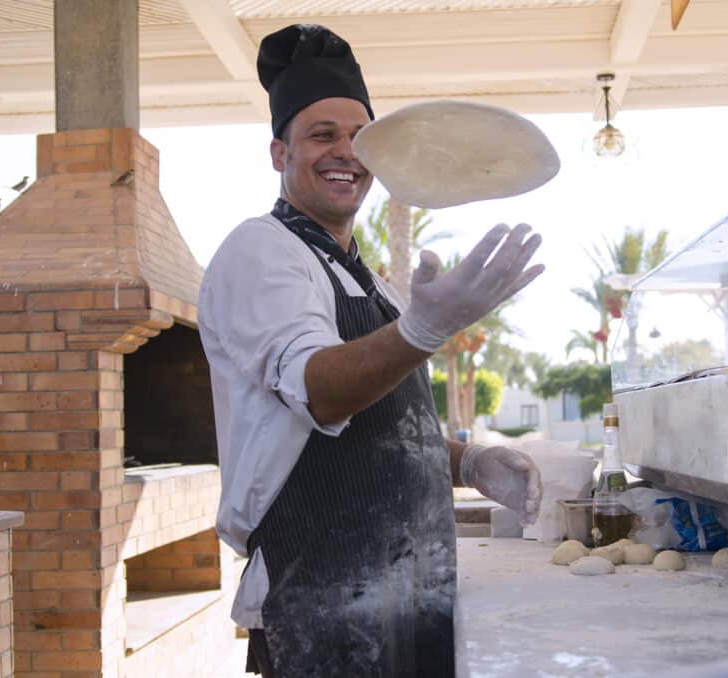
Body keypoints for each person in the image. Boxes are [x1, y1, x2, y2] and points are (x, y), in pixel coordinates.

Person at [198, 23, 545, 678]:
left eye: (361, 137)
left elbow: (378, 434)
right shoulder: (261, 251)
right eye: (322, 134)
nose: (346, 153)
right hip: (326, 609)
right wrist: (422, 331)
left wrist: (467, 463)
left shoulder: (366, 279)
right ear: (279, 153)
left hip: (411, 599)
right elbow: (320, 388)